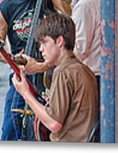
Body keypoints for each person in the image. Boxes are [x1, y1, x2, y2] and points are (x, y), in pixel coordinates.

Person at [21, 0, 101, 133]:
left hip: (93, 81)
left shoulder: (86, 4)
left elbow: (76, 52)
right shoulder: (84, 1)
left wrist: (40, 67)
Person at [12, 13, 99, 142]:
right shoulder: (84, 69)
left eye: (44, 42)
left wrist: (25, 93)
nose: (40, 49)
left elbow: (54, 123)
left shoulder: (63, 72)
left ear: (59, 41)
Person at [0, 0, 55, 140]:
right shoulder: (5, 8)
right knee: (9, 129)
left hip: (48, 72)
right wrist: (12, 59)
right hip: (22, 74)